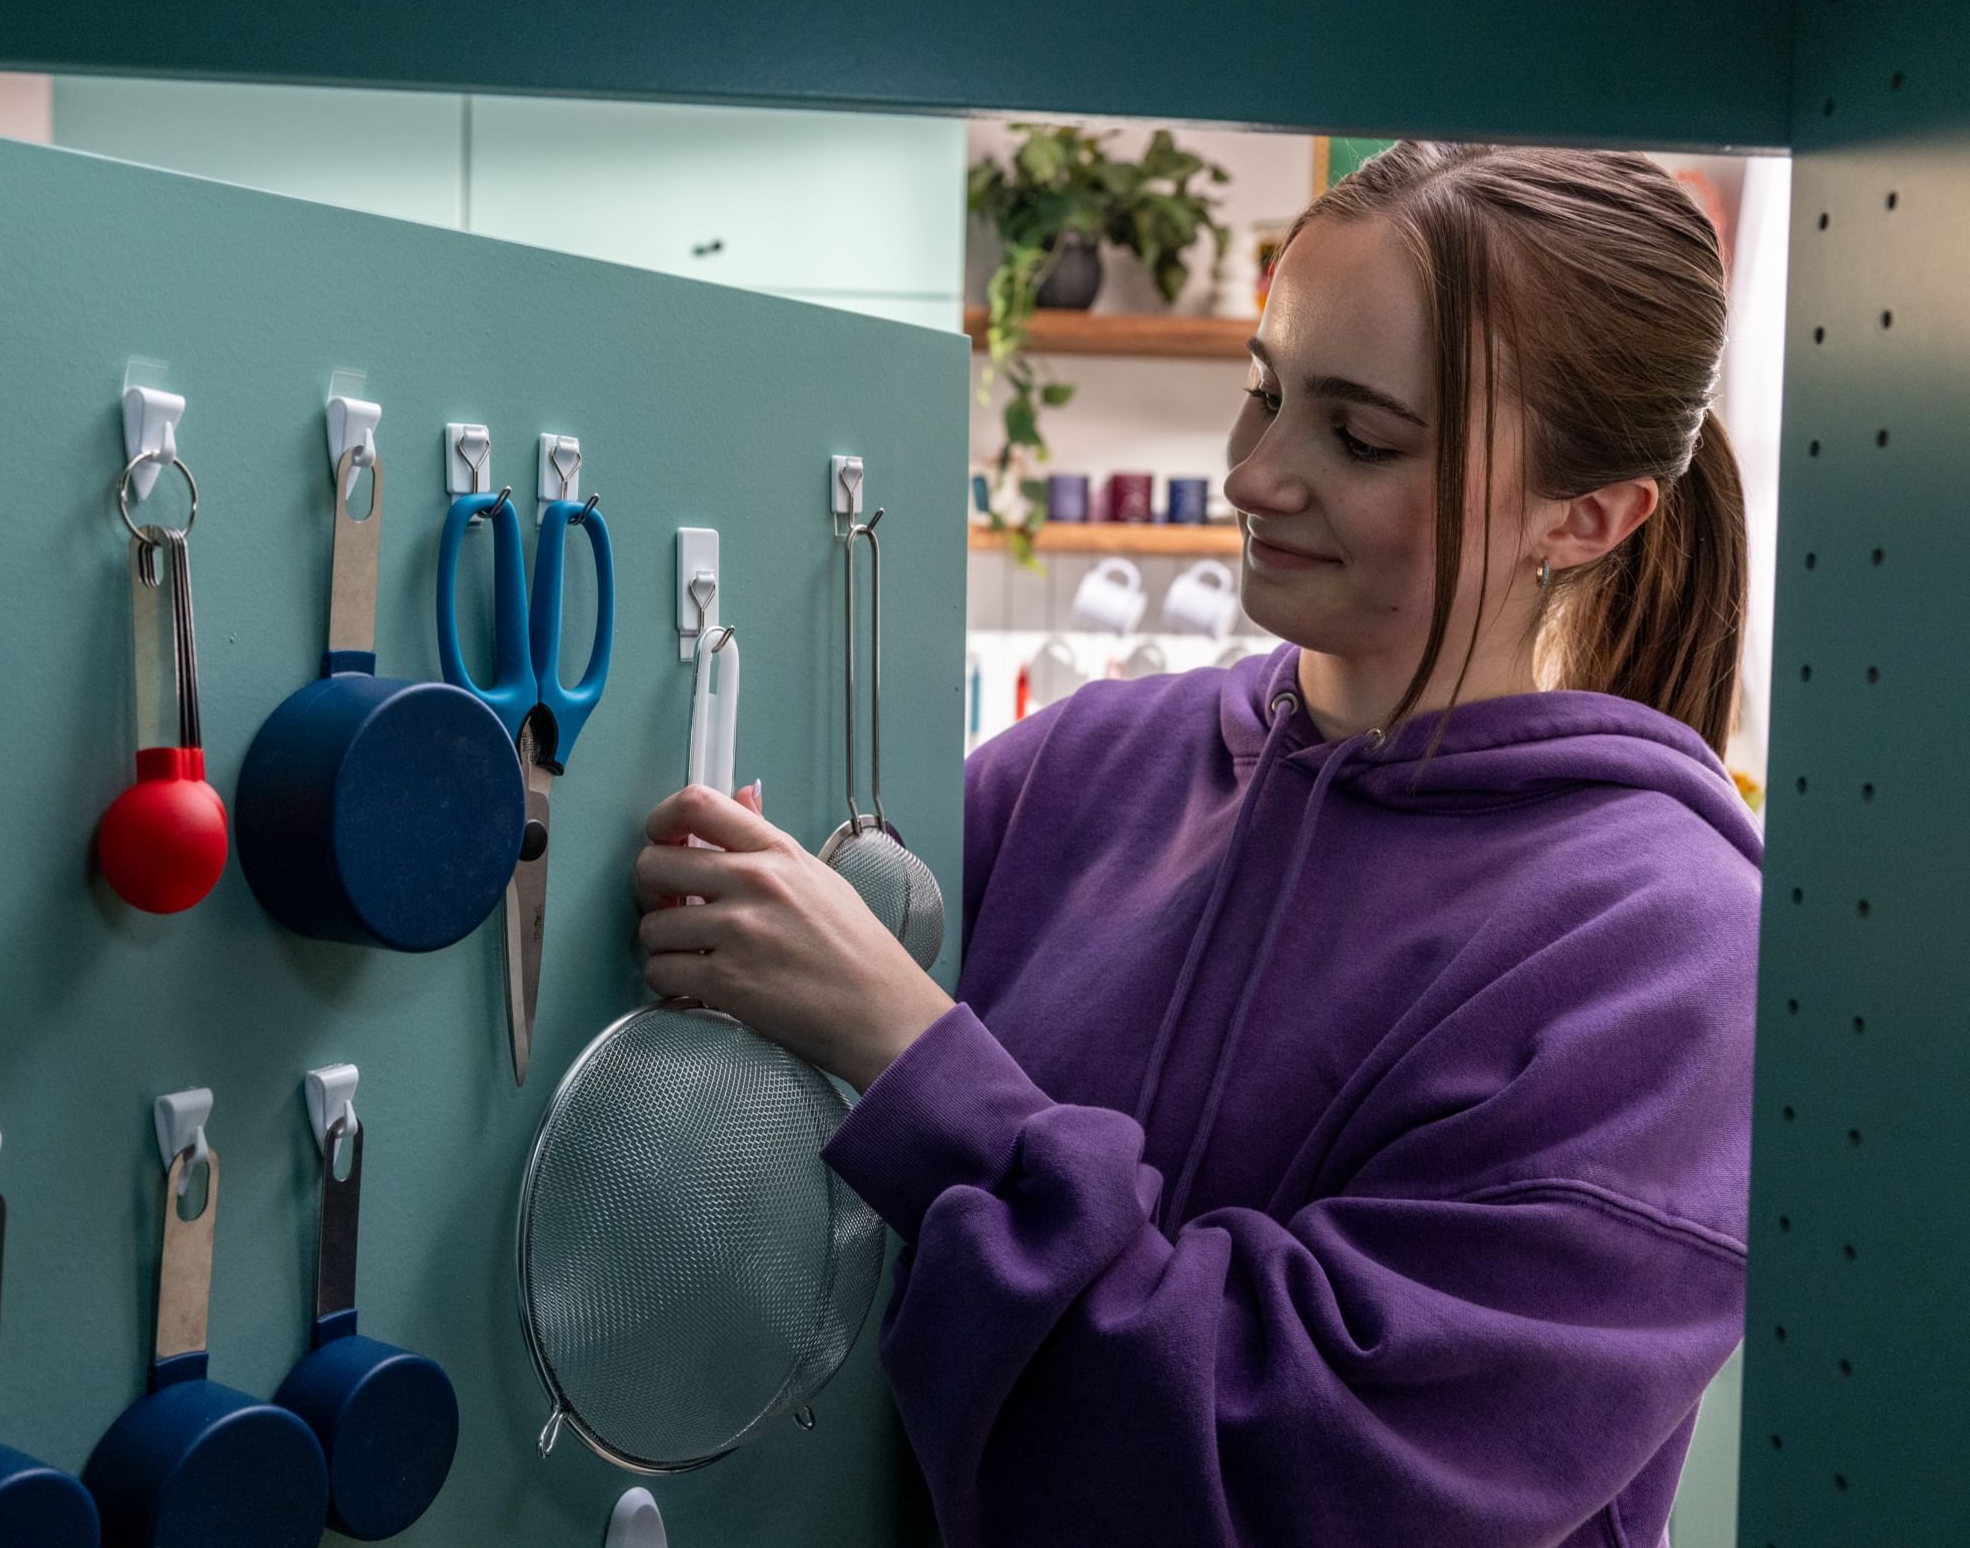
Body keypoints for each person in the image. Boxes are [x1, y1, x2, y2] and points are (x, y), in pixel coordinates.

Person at [632, 142, 1758, 1548]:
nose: (1254, 472)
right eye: (1266, 391)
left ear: (1587, 516)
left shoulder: (1665, 958)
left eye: (1359, 435)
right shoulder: (1083, 767)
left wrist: (912, 1055)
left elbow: (1296, 1478)